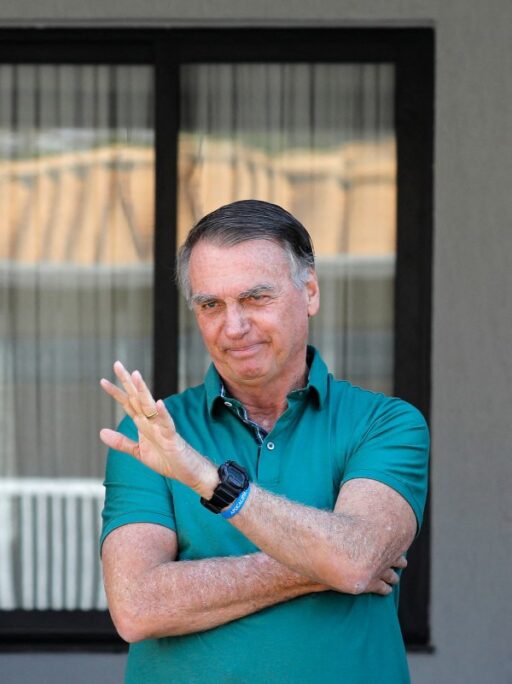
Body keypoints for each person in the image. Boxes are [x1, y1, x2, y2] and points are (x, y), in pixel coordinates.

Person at [98, 199, 429, 683]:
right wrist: (320, 563)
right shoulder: (151, 431)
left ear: (310, 292)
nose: (233, 327)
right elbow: (136, 607)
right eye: (210, 305)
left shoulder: (384, 423)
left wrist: (207, 479)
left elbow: (356, 560)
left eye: (255, 298)